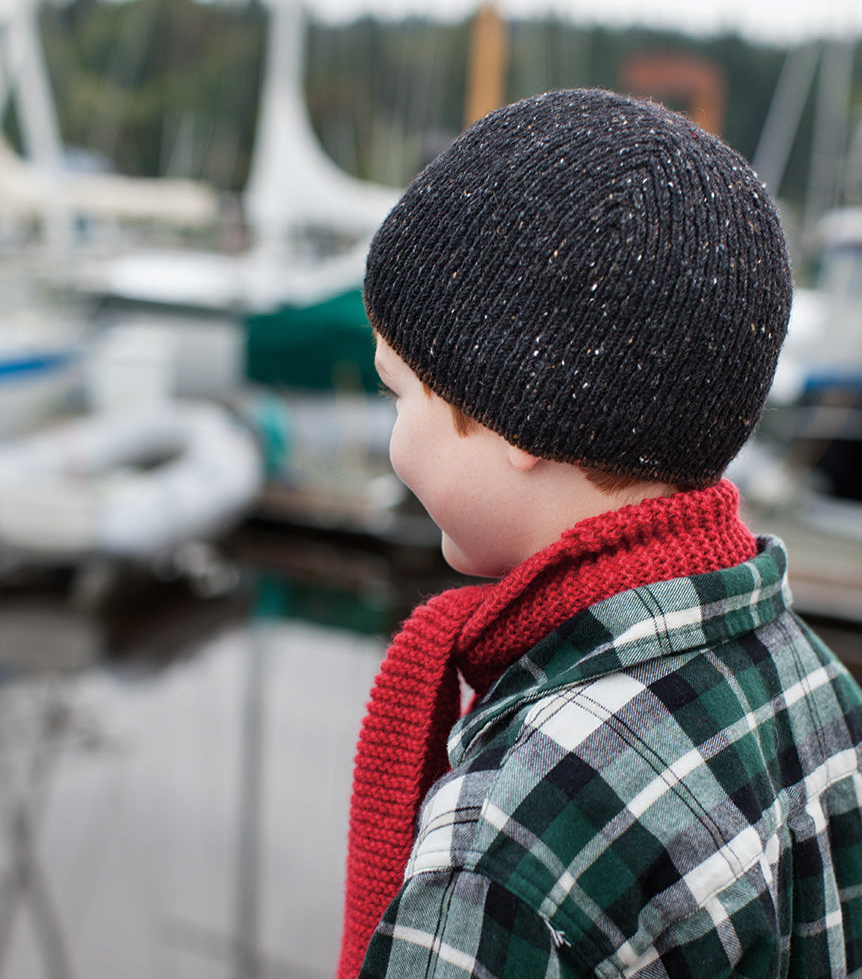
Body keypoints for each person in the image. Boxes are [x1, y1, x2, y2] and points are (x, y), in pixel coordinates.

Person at [337, 89, 862, 979]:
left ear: (516, 420)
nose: (392, 445)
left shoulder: (505, 845)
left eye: (399, 395)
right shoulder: (815, 681)